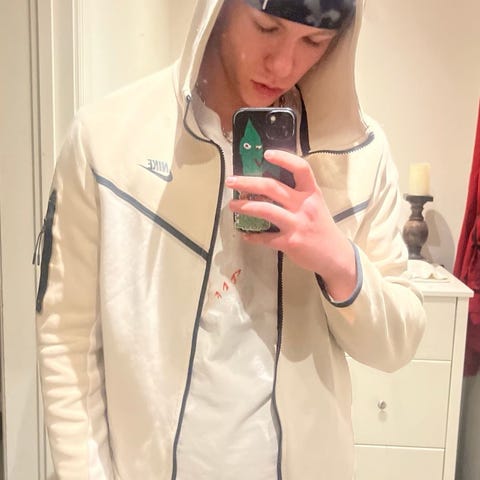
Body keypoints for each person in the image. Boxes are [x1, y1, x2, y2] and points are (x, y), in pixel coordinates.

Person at [34, 0, 426, 479]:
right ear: (218, 9)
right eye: (266, 28)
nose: (284, 65)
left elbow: (396, 345)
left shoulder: (356, 157)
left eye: (313, 41)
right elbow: (67, 340)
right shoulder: (106, 141)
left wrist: (338, 261)